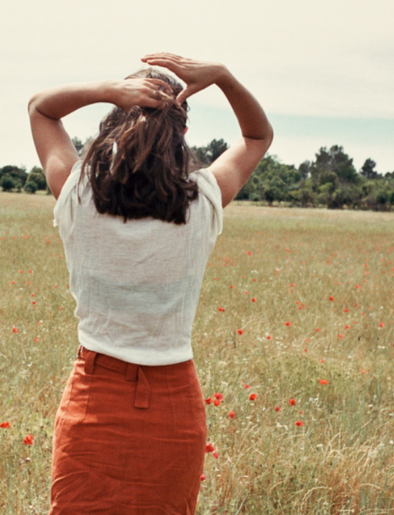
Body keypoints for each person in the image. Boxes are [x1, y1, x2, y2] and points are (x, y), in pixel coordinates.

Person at [28, 53, 272, 514]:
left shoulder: (76, 189)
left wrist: (109, 89)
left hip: (93, 401)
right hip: (174, 407)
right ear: (182, 133)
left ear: (113, 124)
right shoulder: (203, 198)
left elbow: (41, 108)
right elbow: (258, 135)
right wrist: (221, 76)